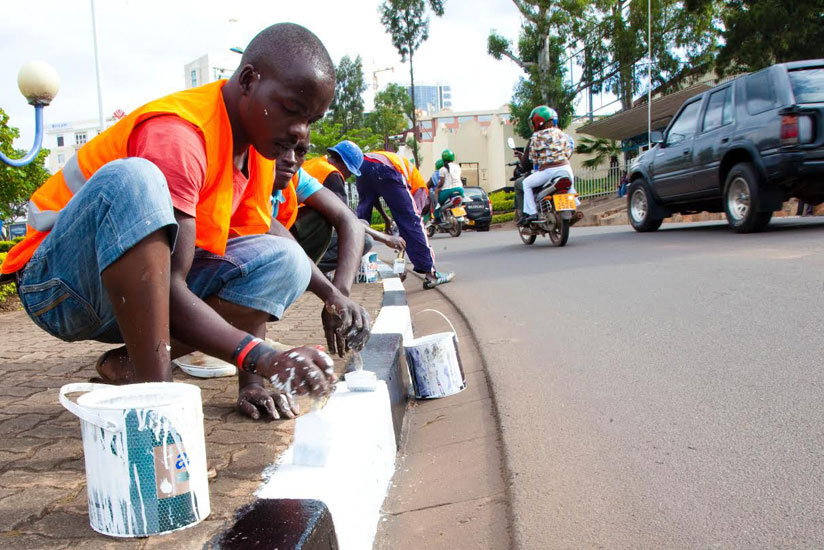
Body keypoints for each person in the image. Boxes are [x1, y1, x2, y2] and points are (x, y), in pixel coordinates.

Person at [0, 23, 364, 421]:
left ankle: (132, 361)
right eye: (292, 111)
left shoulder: (256, 152)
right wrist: (262, 357)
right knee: (135, 179)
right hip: (59, 284)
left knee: (286, 259)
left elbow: (261, 250)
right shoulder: (181, 135)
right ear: (247, 80)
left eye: (311, 120)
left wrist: (256, 379)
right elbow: (166, 284)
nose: (299, 132)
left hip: (127, 295)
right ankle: (156, 403)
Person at [297, 141, 405, 274]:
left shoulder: (316, 164)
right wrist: (386, 238)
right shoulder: (332, 174)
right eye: (350, 172)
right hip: (302, 233)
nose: (348, 177)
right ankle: (308, 272)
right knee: (363, 241)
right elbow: (346, 218)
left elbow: (347, 213)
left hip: (299, 228)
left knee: (363, 224)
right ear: (344, 164)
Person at [355, 151, 455, 289]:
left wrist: (386, 219)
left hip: (363, 165)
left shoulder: (405, 176)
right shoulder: (421, 189)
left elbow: (374, 198)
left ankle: (356, 268)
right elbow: (412, 222)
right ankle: (431, 274)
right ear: (428, 201)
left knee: (360, 220)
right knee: (412, 221)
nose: (422, 208)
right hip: (387, 167)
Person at [518, 105, 576, 226]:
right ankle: (573, 206)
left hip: (548, 171)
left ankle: (532, 213)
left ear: (538, 122)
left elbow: (533, 159)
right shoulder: (561, 134)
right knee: (569, 185)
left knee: (526, 184)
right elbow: (568, 152)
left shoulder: (536, 137)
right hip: (566, 169)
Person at [434, 149, 464, 221]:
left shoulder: (442, 169)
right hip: (460, 189)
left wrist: (438, 186)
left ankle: (437, 214)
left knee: (438, 200)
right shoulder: (458, 167)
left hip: (448, 191)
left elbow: (441, 182)